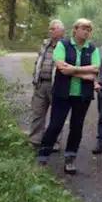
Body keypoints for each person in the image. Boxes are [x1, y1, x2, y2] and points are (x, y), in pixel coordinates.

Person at [37, 19, 101, 174]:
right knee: (55, 125)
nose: (86, 31)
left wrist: (73, 69)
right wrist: (84, 74)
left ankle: (70, 159)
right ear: (75, 29)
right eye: (84, 28)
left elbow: (96, 68)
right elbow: (60, 66)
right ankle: (43, 156)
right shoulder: (63, 45)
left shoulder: (92, 48)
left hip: (82, 95)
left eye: (89, 29)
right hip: (62, 93)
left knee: (77, 127)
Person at [29, 19, 65, 150]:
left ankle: (54, 142)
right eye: (50, 28)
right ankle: (35, 140)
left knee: (56, 115)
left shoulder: (65, 45)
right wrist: (35, 77)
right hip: (41, 84)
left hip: (56, 85)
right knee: (38, 113)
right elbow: (38, 61)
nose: (50, 31)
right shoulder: (45, 44)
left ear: (61, 31)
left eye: (53, 29)